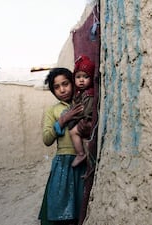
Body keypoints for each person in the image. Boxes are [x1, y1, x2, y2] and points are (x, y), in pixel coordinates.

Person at [39, 67, 88, 225]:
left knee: (80, 208)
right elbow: (47, 139)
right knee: (61, 207)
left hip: (83, 161)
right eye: (57, 87)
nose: (62, 89)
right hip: (64, 164)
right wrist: (63, 119)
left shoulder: (83, 102)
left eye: (65, 84)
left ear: (72, 83)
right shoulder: (52, 111)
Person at [67, 55, 95, 167]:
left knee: (73, 131)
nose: (81, 80)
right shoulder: (79, 93)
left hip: (87, 121)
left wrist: (76, 117)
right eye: (78, 77)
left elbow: (86, 111)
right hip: (83, 120)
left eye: (86, 77)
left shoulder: (89, 93)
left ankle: (80, 154)